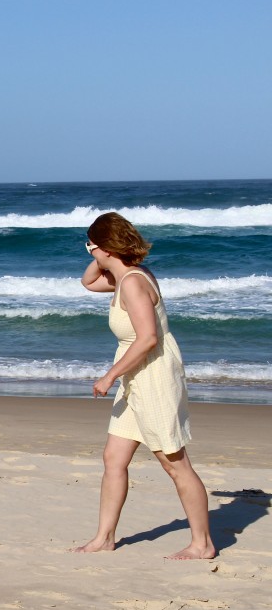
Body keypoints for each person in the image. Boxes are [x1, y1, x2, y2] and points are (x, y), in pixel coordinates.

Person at [73, 212, 216, 559]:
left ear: (106, 247)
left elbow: (149, 338)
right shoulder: (122, 278)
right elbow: (88, 283)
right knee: (113, 458)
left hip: (152, 377)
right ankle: (105, 537)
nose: (90, 250)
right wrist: (94, 250)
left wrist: (109, 375)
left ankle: (203, 544)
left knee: (174, 463)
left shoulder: (134, 282)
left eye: (92, 245)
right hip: (134, 377)